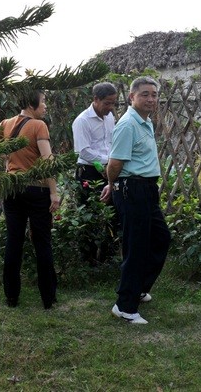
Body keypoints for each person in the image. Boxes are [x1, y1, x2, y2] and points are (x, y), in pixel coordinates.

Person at [102, 76, 171, 324]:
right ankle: (125, 306)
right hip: (133, 190)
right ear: (132, 97)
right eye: (145, 94)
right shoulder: (128, 124)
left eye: (154, 94)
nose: (151, 99)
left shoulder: (145, 121)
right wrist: (113, 184)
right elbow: (114, 163)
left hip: (146, 188)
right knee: (136, 247)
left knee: (161, 238)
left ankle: (138, 288)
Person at [0, 90, 60, 309]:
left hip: (12, 189)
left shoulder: (5, 124)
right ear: (32, 105)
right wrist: (54, 192)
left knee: (14, 241)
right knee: (42, 242)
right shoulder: (38, 125)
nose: (45, 106)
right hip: (36, 190)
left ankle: (11, 296)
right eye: (43, 102)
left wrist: (8, 162)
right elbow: (48, 161)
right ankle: (48, 297)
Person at [72, 82, 119, 264]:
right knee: (89, 213)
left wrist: (112, 165)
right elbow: (83, 151)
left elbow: (111, 143)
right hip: (89, 172)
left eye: (113, 103)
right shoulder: (82, 121)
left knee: (112, 212)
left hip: (109, 169)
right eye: (107, 103)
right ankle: (88, 260)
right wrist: (105, 164)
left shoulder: (109, 117)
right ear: (96, 99)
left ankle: (108, 257)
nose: (110, 107)